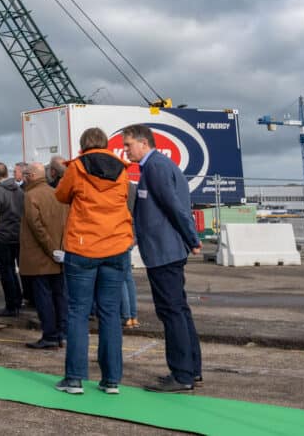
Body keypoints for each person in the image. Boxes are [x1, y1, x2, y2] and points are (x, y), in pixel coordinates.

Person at [123, 124, 203, 393]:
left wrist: (192, 239)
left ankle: (181, 375)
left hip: (163, 251)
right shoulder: (159, 165)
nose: (125, 150)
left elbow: (174, 207)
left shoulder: (155, 167)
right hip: (167, 250)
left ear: (144, 143)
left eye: (128, 145)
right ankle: (192, 368)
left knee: (171, 312)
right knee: (179, 310)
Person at [53, 127, 133, 396]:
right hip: (117, 244)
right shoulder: (122, 169)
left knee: (78, 312)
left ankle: (74, 379)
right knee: (110, 313)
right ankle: (111, 380)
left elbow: (61, 195)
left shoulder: (77, 168)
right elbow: (124, 198)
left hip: (83, 246)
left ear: (82, 145)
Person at [20, 162, 69, 349]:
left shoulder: (30, 195)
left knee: (44, 297)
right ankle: (63, 334)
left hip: (41, 256)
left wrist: (51, 249)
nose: (23, 177)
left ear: (31, 176)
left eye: (25, 174)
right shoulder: (57, 192)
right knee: (60, 296)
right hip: (58, 255)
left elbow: (36, 226)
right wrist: (60, 249)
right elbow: (67, 223)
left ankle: (49, 335)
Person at [0, 162, 24, 316]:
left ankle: (11, 304)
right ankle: (17, 300)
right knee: (13, 270)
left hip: (2, 235)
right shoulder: (19, 190)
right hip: (17, 234)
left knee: (6, 271)